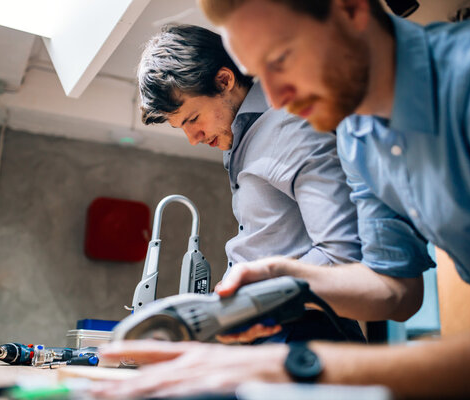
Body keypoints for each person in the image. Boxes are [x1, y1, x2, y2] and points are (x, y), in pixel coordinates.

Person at [95, 1, 470, 398]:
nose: (274, 100)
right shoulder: (358, 137)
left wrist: (289, 365)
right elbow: (397, 290)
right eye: (259, 72)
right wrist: (278, 278)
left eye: (281, 60)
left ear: (349, 10)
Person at [136, 24, 365, 343]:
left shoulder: (292, 127)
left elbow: (342, 254)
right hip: (267, 328)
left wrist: (249, 300)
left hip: (306, 332)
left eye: (192, 119)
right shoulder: (240, 140)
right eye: (181, 128)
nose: (192, 139)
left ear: (224, 81)